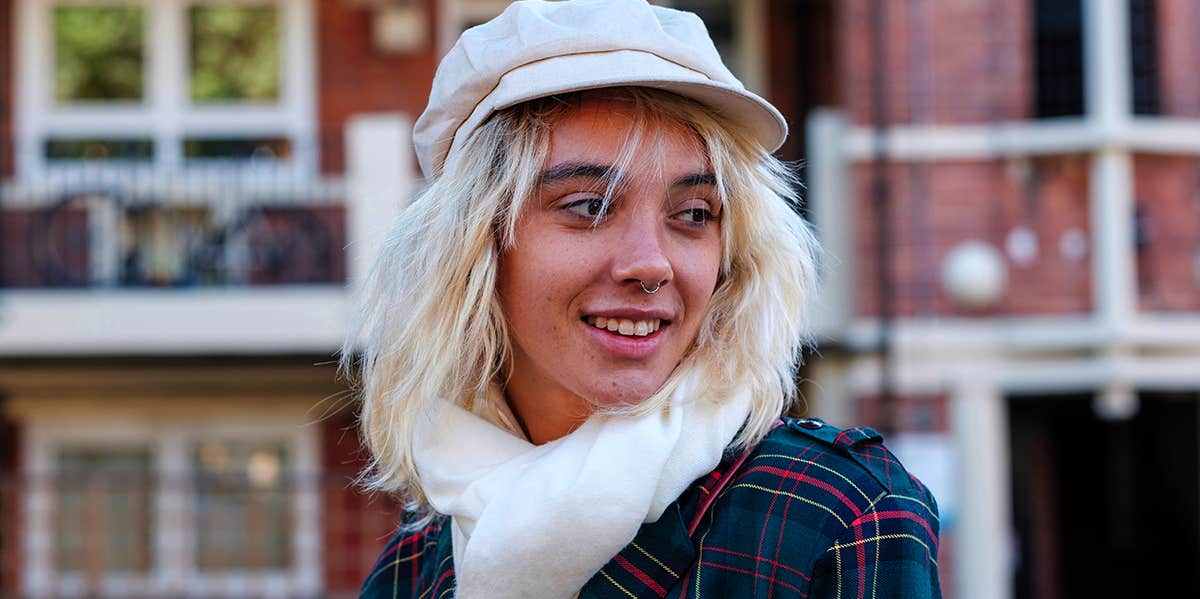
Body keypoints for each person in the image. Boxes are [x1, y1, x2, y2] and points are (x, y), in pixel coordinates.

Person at [349, 1, 940, 597]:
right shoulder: (418, 562)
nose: (651, 264)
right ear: (477, 245)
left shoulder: (838, 515)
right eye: (590, 207)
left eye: (692, 215)